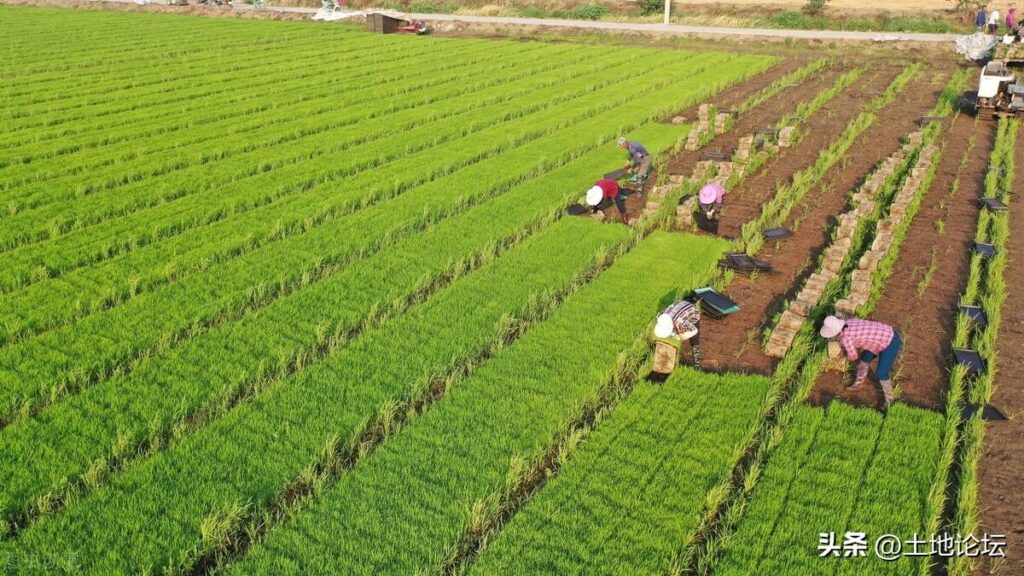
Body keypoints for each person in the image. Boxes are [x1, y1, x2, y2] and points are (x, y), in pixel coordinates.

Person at [819, 315, 903, 409]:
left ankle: (889, 400)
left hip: (890, 342)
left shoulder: (845, 338)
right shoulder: (849, 322)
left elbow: (853, 356)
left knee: (881, 373)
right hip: (884, 335)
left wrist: (844, 354)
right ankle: (858, 382)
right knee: (865, 357)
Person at [654, 298, 702, 369]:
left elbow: (695, 330)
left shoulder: (679, 323)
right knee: (675, 335)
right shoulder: (661, 317)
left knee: (694, 339)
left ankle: (697, 363)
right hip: (679, 308)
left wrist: (682, 337)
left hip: (691, 311)